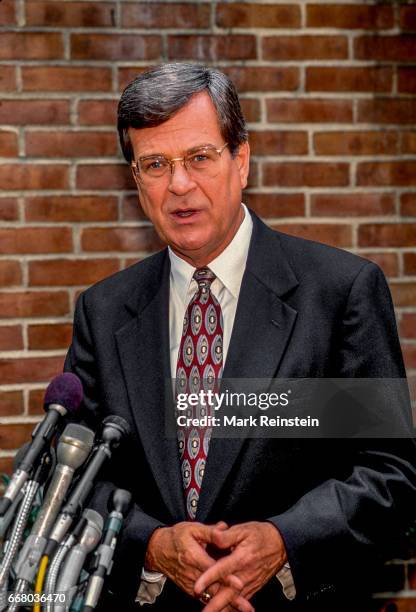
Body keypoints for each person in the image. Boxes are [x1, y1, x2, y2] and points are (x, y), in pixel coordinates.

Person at [64, 63, 416, 611]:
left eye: (200, 157)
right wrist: (153, 548)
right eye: (155, 164)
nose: (180, 184)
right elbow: (79, 482)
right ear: (136, 179)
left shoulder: (339, 292)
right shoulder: (104, 312)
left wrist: (283, 542)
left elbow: (389, 475)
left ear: (241, 160)